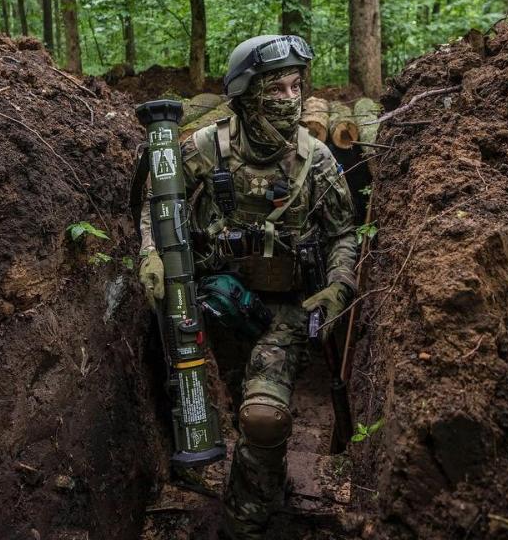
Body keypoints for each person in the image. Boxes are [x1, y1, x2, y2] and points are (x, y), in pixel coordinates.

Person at [136, 35, 357, 539]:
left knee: (262, 418)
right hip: (216, 305)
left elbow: (344, 231)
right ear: (245, 93)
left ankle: (242, 523)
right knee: (238, 410)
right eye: (275, 88)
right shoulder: (205, 149)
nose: (290, 97)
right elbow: (157, 199)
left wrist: (338, 286)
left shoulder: (317, 160)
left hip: (285, 313)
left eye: (296, 85)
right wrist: (150, 253)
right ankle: (264, 479)